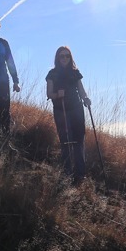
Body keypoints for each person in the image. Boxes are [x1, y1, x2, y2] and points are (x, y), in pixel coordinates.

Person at [45, 47, 91, 184]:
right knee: (65, 141)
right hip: (61, 110)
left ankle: (80, 174)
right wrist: (56, 95)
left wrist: (86, 99)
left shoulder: (75, 73)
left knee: (79, 140)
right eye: (61, 56)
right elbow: (49, 94)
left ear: (70, 58)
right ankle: (67, 173)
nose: (64, 58)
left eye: (67, 56)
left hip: (76, 109)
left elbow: (81, 89)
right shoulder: (52, 74)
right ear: (57, 58)